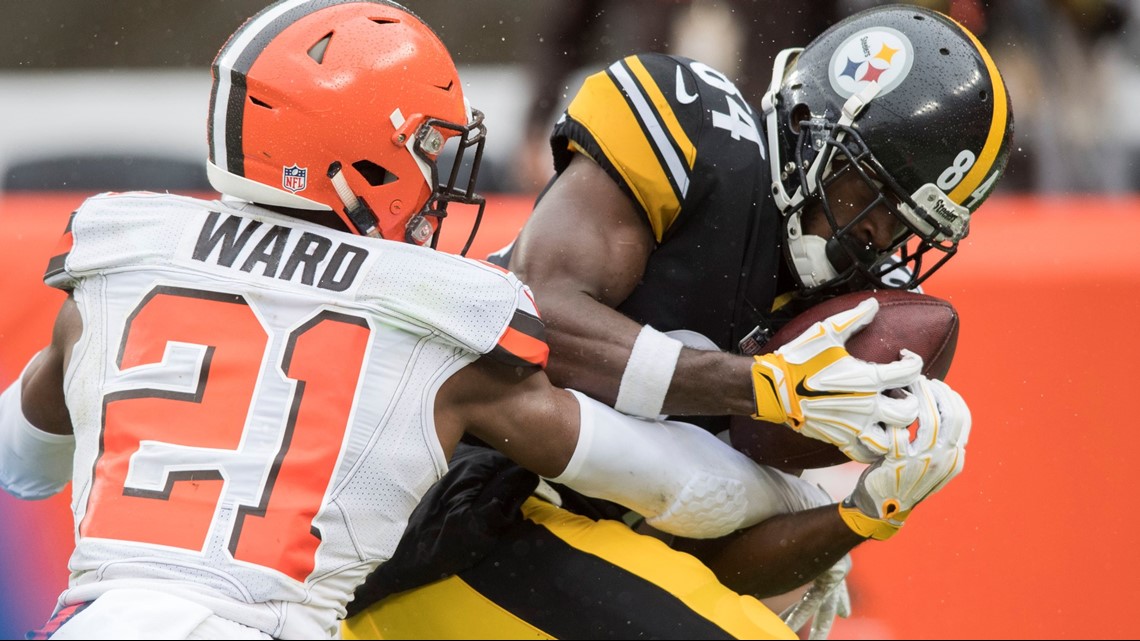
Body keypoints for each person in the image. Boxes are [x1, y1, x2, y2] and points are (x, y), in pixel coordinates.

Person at [0, 2, 939, 639]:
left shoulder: (118, 253)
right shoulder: (436, 317)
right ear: (357, 161)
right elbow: (675, 480)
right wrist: (834, 488)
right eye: (427, 147)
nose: (444, 172)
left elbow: (22, 463)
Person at [344, 3, 1009, 640]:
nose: (879, 237)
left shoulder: (857, 310)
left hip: (553, 546)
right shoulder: (698, 130)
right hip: (446, 513)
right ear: (815, 127)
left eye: (906, 229)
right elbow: (532, 310)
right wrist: (756, 385)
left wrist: (861, 516)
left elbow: (721, 567)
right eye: (873, 195)